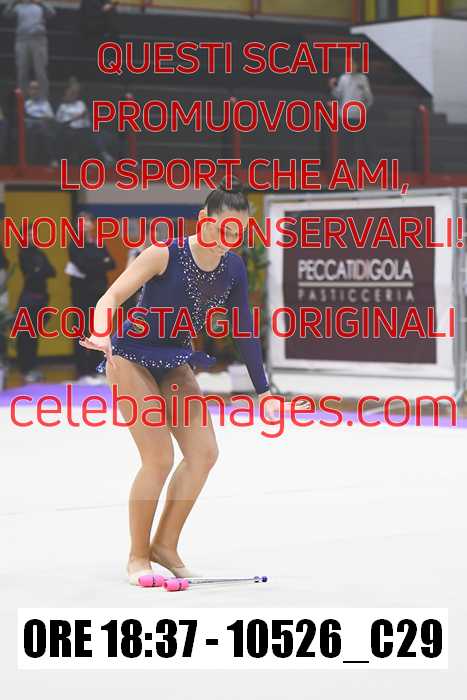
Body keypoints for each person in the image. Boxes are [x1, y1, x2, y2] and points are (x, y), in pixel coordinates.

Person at [79, 177, 306, 585]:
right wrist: (101, 332)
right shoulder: (163, 254)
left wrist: (264, 391)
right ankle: (137, 557)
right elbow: (109, 298)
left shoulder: (232, 267)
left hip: (175, 360)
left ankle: (165, 545)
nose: (231, 239)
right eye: (224, 228)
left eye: (239, 231)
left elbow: (244, 330)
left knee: (204, 453)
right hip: (130, 356)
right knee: (159, 458)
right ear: (204, 219)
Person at [65, 211, 116, 383]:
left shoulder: (99, 242)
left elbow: (112, 263)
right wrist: (100, 263)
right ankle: (82, 369)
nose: (85, 224)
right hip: (81, 292)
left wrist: (96, 264)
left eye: (88, 221)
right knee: (80, 328)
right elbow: (83, 266)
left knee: (98, 329)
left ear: (92, 224)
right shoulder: (74, 244)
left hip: (99, 292)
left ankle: (96, 366)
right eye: (82, 221)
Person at [16, 226, 56, 382]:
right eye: (29, 235)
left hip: (41, 298)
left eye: (34, 234)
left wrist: (40, 269)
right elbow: (31, 274)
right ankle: (24, 368)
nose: (32, 237)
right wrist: (40, 270)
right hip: (28, 298)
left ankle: (32, 366)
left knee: (35, 334)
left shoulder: (40, 253)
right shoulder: (23, 254)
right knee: (25, 335)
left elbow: (52, 271)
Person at [3, 0, 55, 99]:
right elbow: (6, 14)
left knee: (40, 71)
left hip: (38, 40)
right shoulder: (18, 6)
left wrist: (41, 3)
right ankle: (22, 100)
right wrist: (14, 2)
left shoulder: (39, 5)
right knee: (22, 71)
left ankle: (43, 99)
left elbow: (52, 13)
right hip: (22, 40)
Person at [329, 59, 374, 167]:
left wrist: (364, 109)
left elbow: (369, 98)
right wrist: (332, 86)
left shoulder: (362, 78)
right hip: (345, 115)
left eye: (352, 64)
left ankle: (366, 164)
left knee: (362, 141)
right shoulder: (343, 78)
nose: (350, 66)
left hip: (359, 115)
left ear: (356, 65)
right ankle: (347, 163)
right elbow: (337, 95)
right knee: (346, 141)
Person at [56, 83, 114, 165]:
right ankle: (103, 156)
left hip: (85, 128)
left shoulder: (80, 104)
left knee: (99, 134)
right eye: (71, 94)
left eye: (74, 94)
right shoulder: (63, 107)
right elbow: (60, 121)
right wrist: (77, 117)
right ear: (66, 95)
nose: (73, 95)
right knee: (89, 135)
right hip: (71, 129)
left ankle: (104, 156)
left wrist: (84, 116)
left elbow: (86, 117)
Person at [24, 79, 57, 166]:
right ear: (29, 90)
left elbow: (51, 117)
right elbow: (23, 118)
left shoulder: (45, 103)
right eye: (32, 88)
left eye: (36, 88)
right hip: (30, 127)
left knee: (44, 127)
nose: (34, 91)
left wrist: (43, 120)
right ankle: (30, 162)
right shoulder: (26, 104)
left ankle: (51, 159)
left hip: (44, 126)